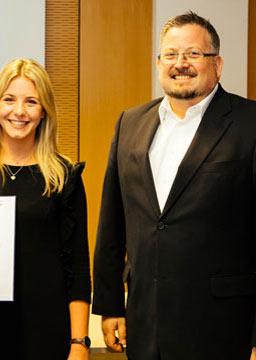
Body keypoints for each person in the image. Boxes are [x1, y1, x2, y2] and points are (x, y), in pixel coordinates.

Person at [92, 11, 256, 360]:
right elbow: (113, 222)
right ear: (158, 63)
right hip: (145, 326)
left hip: (225, 330)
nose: (181, 63)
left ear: (218, 64)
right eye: (171, 54)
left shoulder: (249, 124)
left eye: (194, 54)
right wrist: (109, 305)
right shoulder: (130, 123)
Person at [0, 58, 91, 360]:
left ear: (44, 111)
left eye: (31, 102)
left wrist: (79, 342)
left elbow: (77, 266)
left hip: (44, 332)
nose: (19, 111)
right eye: (9, 100)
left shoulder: (64, 175)